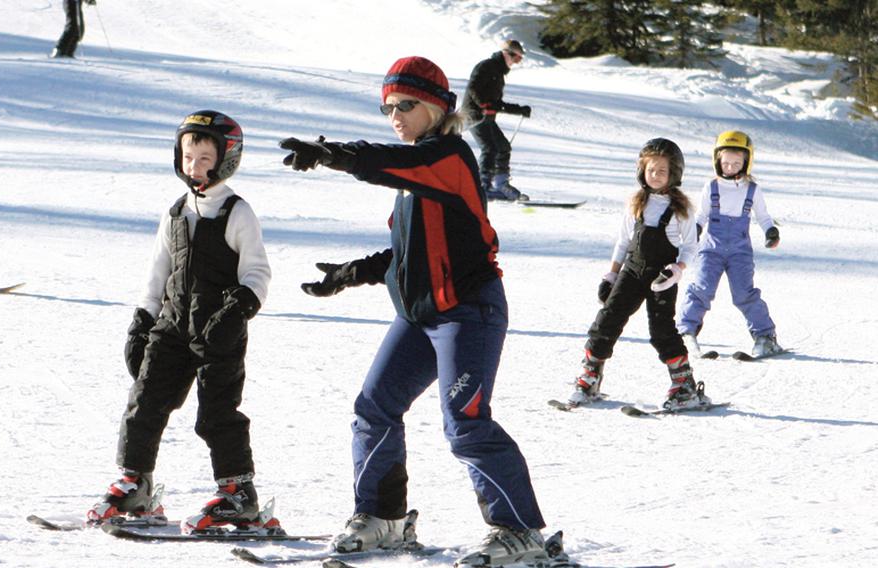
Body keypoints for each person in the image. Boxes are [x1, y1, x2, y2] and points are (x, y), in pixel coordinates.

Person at [279, 56, 547, 567]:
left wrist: (333, 153)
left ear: (438, 107)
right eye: (387, 107)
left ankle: (520, 532)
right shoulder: (415, 172)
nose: (395, 115)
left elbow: (379, 161)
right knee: (374, 407)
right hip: (419, 315)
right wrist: (350, 273)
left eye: (406, 104)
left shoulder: (448, 157)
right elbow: (409, 253)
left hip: (468, 311)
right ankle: (383, 518)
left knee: (465, 422)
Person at [88, 111, 276, 535]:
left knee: (217, 414)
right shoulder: (174, 213)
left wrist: (237, 311)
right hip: (171, 328)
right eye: (188, 156)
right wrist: (142, 321)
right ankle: (135, 482)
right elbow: (158, 273)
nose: (195, 166)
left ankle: (238, 494)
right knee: (144, 402)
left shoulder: (236, 212)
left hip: (218, 334)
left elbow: (258, 275)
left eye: (204, 157)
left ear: (226, 160)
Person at [566, 138, 708, 411]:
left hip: (661, 277)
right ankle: (590, 376)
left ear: (674, 174)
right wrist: (611, 275)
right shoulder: (636, 202)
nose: (655, 175)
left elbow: (690, 246)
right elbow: (623, 242)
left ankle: (684, 385)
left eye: (662, 171)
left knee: (661, 330)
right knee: (607, 320)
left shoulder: (682, 209)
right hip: (631, 271)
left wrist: (677, 271)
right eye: (650, 170)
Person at [677, 130, 782, 357]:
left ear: (747, 162)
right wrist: (694, 230)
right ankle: (686, 333)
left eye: (737, 163)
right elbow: (701, 216)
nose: (731, 167)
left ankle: (765, 337)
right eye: (726, 163)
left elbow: (763, 216)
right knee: (702, 289)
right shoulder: (711, 187)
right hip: (710, 249)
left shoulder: (752, 189)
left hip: (740, 252)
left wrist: (770, 231)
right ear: (717, 161)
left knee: (744, 294)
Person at [462, 39, 532, 202]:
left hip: (487, 117)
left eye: (519, 59)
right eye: (516, 58)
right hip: (474, 115)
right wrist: (483, 104)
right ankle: (483, 186)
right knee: (490, 148)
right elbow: (473, 87)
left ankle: (501, 184)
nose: (516, 62)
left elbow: (497, 103)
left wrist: (519, 109)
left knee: (503, 147)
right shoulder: (486, 66)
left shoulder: (499, 74)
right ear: (506, 53)